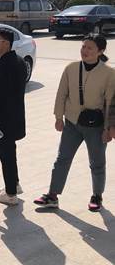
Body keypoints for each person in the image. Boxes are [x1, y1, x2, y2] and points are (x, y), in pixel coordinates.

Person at [34, 34, 115, 212]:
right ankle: (52, 195)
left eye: (90, 48)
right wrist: (58, 117)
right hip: (72, 122)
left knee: (97, 162)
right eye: (83, 46)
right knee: (62, 159)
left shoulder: (109, 73)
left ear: (100, 51)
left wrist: (108, 129)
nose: (84, 50)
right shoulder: (71, 68)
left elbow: (110, 102)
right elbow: (62, 93)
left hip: (96, 126)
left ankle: (97, 196)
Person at [0, 29, 27, 206]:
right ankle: (14, 184)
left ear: (6, 43)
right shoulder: (18, 61)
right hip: (14, 116)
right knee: (9, 153)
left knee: (5, 156)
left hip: (3, 120)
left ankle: (10, 194)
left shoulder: (5, 64)